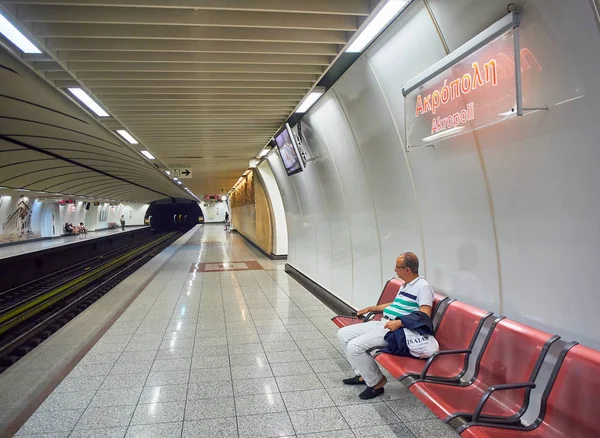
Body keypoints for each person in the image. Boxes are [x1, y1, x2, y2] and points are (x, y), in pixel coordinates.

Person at [337, 252, 434, 399]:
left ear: (407, 269)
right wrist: (371, 308)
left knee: (354, 346)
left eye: (397, 267)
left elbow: (425, 314)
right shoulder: (405, 285)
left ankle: (376, 383)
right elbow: (395, 305)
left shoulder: (423, 287)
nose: (395, 270)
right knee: (343, 334)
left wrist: (400, 322)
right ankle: (363, 375)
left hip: (395, 330)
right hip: (383, 322)